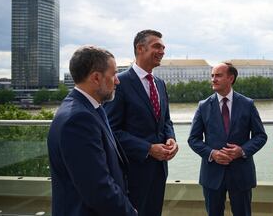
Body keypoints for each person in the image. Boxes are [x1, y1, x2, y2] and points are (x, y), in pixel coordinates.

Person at [47, 46, 137, 216]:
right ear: (96, 77)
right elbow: (97, 188)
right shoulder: (79, 119)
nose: (117, 80)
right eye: (114, 74)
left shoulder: (89, 108)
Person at [104, 29, 178, 216]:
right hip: (133, 172)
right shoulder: (119, 83)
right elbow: (110, 131)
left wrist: (171, 139)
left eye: (163, 47)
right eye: (157, 46)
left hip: (159, 170)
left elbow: (166, 121)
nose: (162, 51)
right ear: (140, 48)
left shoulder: (160, 84)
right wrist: (148, 148)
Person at [188, 62, 267, 216]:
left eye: (218, 75)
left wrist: (242, 151)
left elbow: (261, 136)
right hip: (212, 175)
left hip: (241, 173)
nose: (213, 79)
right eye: (212, 76)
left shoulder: (247, 104)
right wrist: (212, 154)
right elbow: (193, 139)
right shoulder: (203, 106)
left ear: (231, 78)